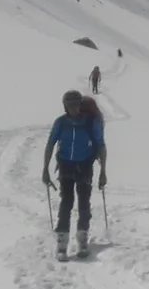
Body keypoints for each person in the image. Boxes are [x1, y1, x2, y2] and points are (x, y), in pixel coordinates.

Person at [42, 89, 107, 260]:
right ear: (65, 106)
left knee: (83, 202)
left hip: (84, 165)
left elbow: (100, 144)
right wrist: (45, 169)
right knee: (67, 202)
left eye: (75, 105)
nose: (73, 108)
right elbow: (50, 144)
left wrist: (103, 172)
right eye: (69, 105)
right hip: (66, 165)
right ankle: (63, 244)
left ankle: (80, 240)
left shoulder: (89, 122)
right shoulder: (61, 123)